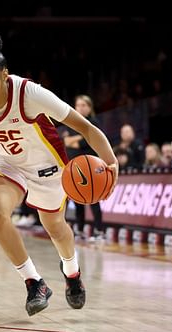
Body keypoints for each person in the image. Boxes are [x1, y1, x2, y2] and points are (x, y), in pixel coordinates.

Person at [0, 31, 118, 316]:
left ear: (4, 75)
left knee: (56, 229)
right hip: (5, 164)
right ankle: (34, 282)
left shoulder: (29, 93)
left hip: (46, 168)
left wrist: (112, 163)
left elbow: (85, 127)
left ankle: (72, 274)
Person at [61, 95, 104, 241]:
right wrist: (79, 137)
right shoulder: (72, 124)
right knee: (77, 199)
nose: (80, 107)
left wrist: (75, 140)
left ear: (90, 107)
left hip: (90, 166)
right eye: (78, 105)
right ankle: (79, 230)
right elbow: (66, 141)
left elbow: (82, 144)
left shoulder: (93, 123)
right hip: (74, 166)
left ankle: (99, 231)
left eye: (84, 105)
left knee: (94, 198)